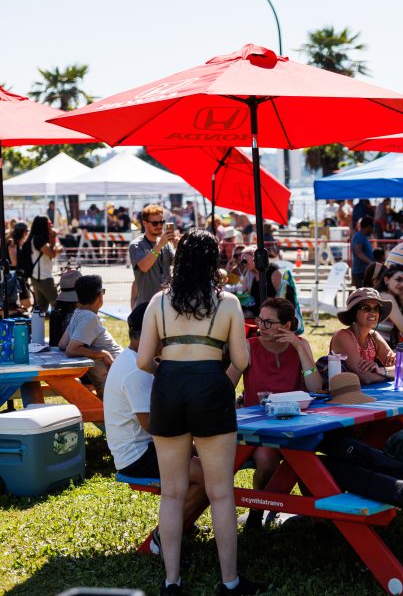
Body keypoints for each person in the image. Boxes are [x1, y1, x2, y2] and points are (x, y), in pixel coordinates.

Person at [137, 229, 259, 596]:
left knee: (171, 493)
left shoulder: (159, 301)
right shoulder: (229, 304)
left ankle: (172, 581)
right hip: (211, 386)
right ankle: (229, 582)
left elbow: (143, 360)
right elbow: (241, 360)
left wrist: (173, 372)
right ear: (213, 263)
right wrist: (213, 378)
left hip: (169, 386)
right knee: (221, 492)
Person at [104, 303, 207, 552]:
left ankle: (183, 522)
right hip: (138, 456)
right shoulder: (135, 370)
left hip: (147, 447)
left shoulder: (137, 361)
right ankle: (163, 536)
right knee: (209, 476)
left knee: (210, 465)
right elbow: (153, 425)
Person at [227, 297, 322, 529]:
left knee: (306, 456)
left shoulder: (301, 345)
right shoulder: (250, 346)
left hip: (294, 427)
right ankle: (257, 513)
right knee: (267, 458)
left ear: (287, 326)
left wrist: (299, 348)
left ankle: (318, 515)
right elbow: (226, 384)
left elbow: (316, 388)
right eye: (260, 320)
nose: (261, 326)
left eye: (268, 322)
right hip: (258, 430)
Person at [58, 275, 123, 398]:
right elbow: (71, 349)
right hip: (116, 384)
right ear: (100, 296)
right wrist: (102, 353)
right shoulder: (89, 317)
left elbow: (62, 344)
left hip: (114, 379)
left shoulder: (78, 313)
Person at [330, 288, 396, 384]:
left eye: (376, 308)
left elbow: (402, 368)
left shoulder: (374, 336)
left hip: (368, 394)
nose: (373, 312)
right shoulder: (342, 335)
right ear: (353, 313)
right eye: (366, 308)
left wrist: (380, 370)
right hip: (342, 395)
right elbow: (366, 377)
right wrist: (389, 374)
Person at [129, 204, 176, 308]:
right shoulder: (137, 245)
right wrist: (159, 245)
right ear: (145, 223)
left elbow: (177, 264)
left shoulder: (166, 244)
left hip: (166, 303)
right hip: (146, 304)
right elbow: (144, 267)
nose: (159, 226)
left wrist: (179, 248)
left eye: (161, 222)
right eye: (155, 223)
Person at [375, 265, 403, 346]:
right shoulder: (386, 297)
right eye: (398, 279)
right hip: (374, 352)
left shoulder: (386, 296)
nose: (402, 284)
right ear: (386, 280)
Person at [29, 215, 61, 310]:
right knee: (57, 306)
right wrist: (57, 248)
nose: (51, 226)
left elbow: (50, 251)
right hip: (44, 277)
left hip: (37, 276)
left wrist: (53, 239)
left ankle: (36, 325)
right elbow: (51, 254)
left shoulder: (35, 238)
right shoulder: (39, 240)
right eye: (49, 224)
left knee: (40, 310)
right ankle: (58, 325)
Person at [6, 222, 31, 312]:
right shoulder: (13, 243)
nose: (27, 234)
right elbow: (14, 263)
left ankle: (13, 314)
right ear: (23, 232)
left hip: (15, 277)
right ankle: (11, 315)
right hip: (13, 277)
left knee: (24, 304)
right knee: (26, 304)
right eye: (27, 231)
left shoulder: (16, 243)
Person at [350, 216, 375, 288]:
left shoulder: (363, 237)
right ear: (368, 227)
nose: (372, 230)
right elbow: (358, 252)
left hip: (363, 271)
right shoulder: (358, 237)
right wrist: (371, 262)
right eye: (372, 227)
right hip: (360, 272)